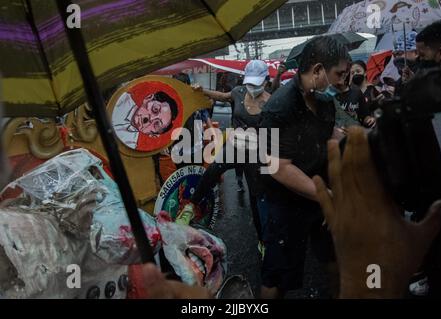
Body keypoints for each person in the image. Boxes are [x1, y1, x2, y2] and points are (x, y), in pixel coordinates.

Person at [258, 36, 351, 299]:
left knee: (334, 261)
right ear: (318, 70)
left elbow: (325, 136)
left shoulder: (324, 101)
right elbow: (278, 168)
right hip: (285, 203)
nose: (343, 82)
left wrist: (339, 138)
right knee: (277, 277)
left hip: (320, 196)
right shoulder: (278, 108)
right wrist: (325, 196)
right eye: (339, 74)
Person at [313, 126, 441, 298]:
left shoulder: (325, 108)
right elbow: (272, 167)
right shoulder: (277, 113)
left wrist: (367, 281)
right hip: (286, 202)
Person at [187, 60, 272, 244]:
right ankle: (191, 205)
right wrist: (203, 90)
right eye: (249, 82)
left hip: (256, 152)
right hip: (235, 146)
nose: (252, 87)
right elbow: (222, 96)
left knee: (256, 196)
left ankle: (262, 241)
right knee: (213, 169)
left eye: (256, 83)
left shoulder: (271, 102)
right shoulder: (238, 92)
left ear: (266, 81)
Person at [112, 91, 179, 148]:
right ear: (148, 98)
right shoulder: (120, 100)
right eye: (155, 109)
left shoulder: (130, 144)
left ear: (153, 135)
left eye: (156, 124)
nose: (150, 119)